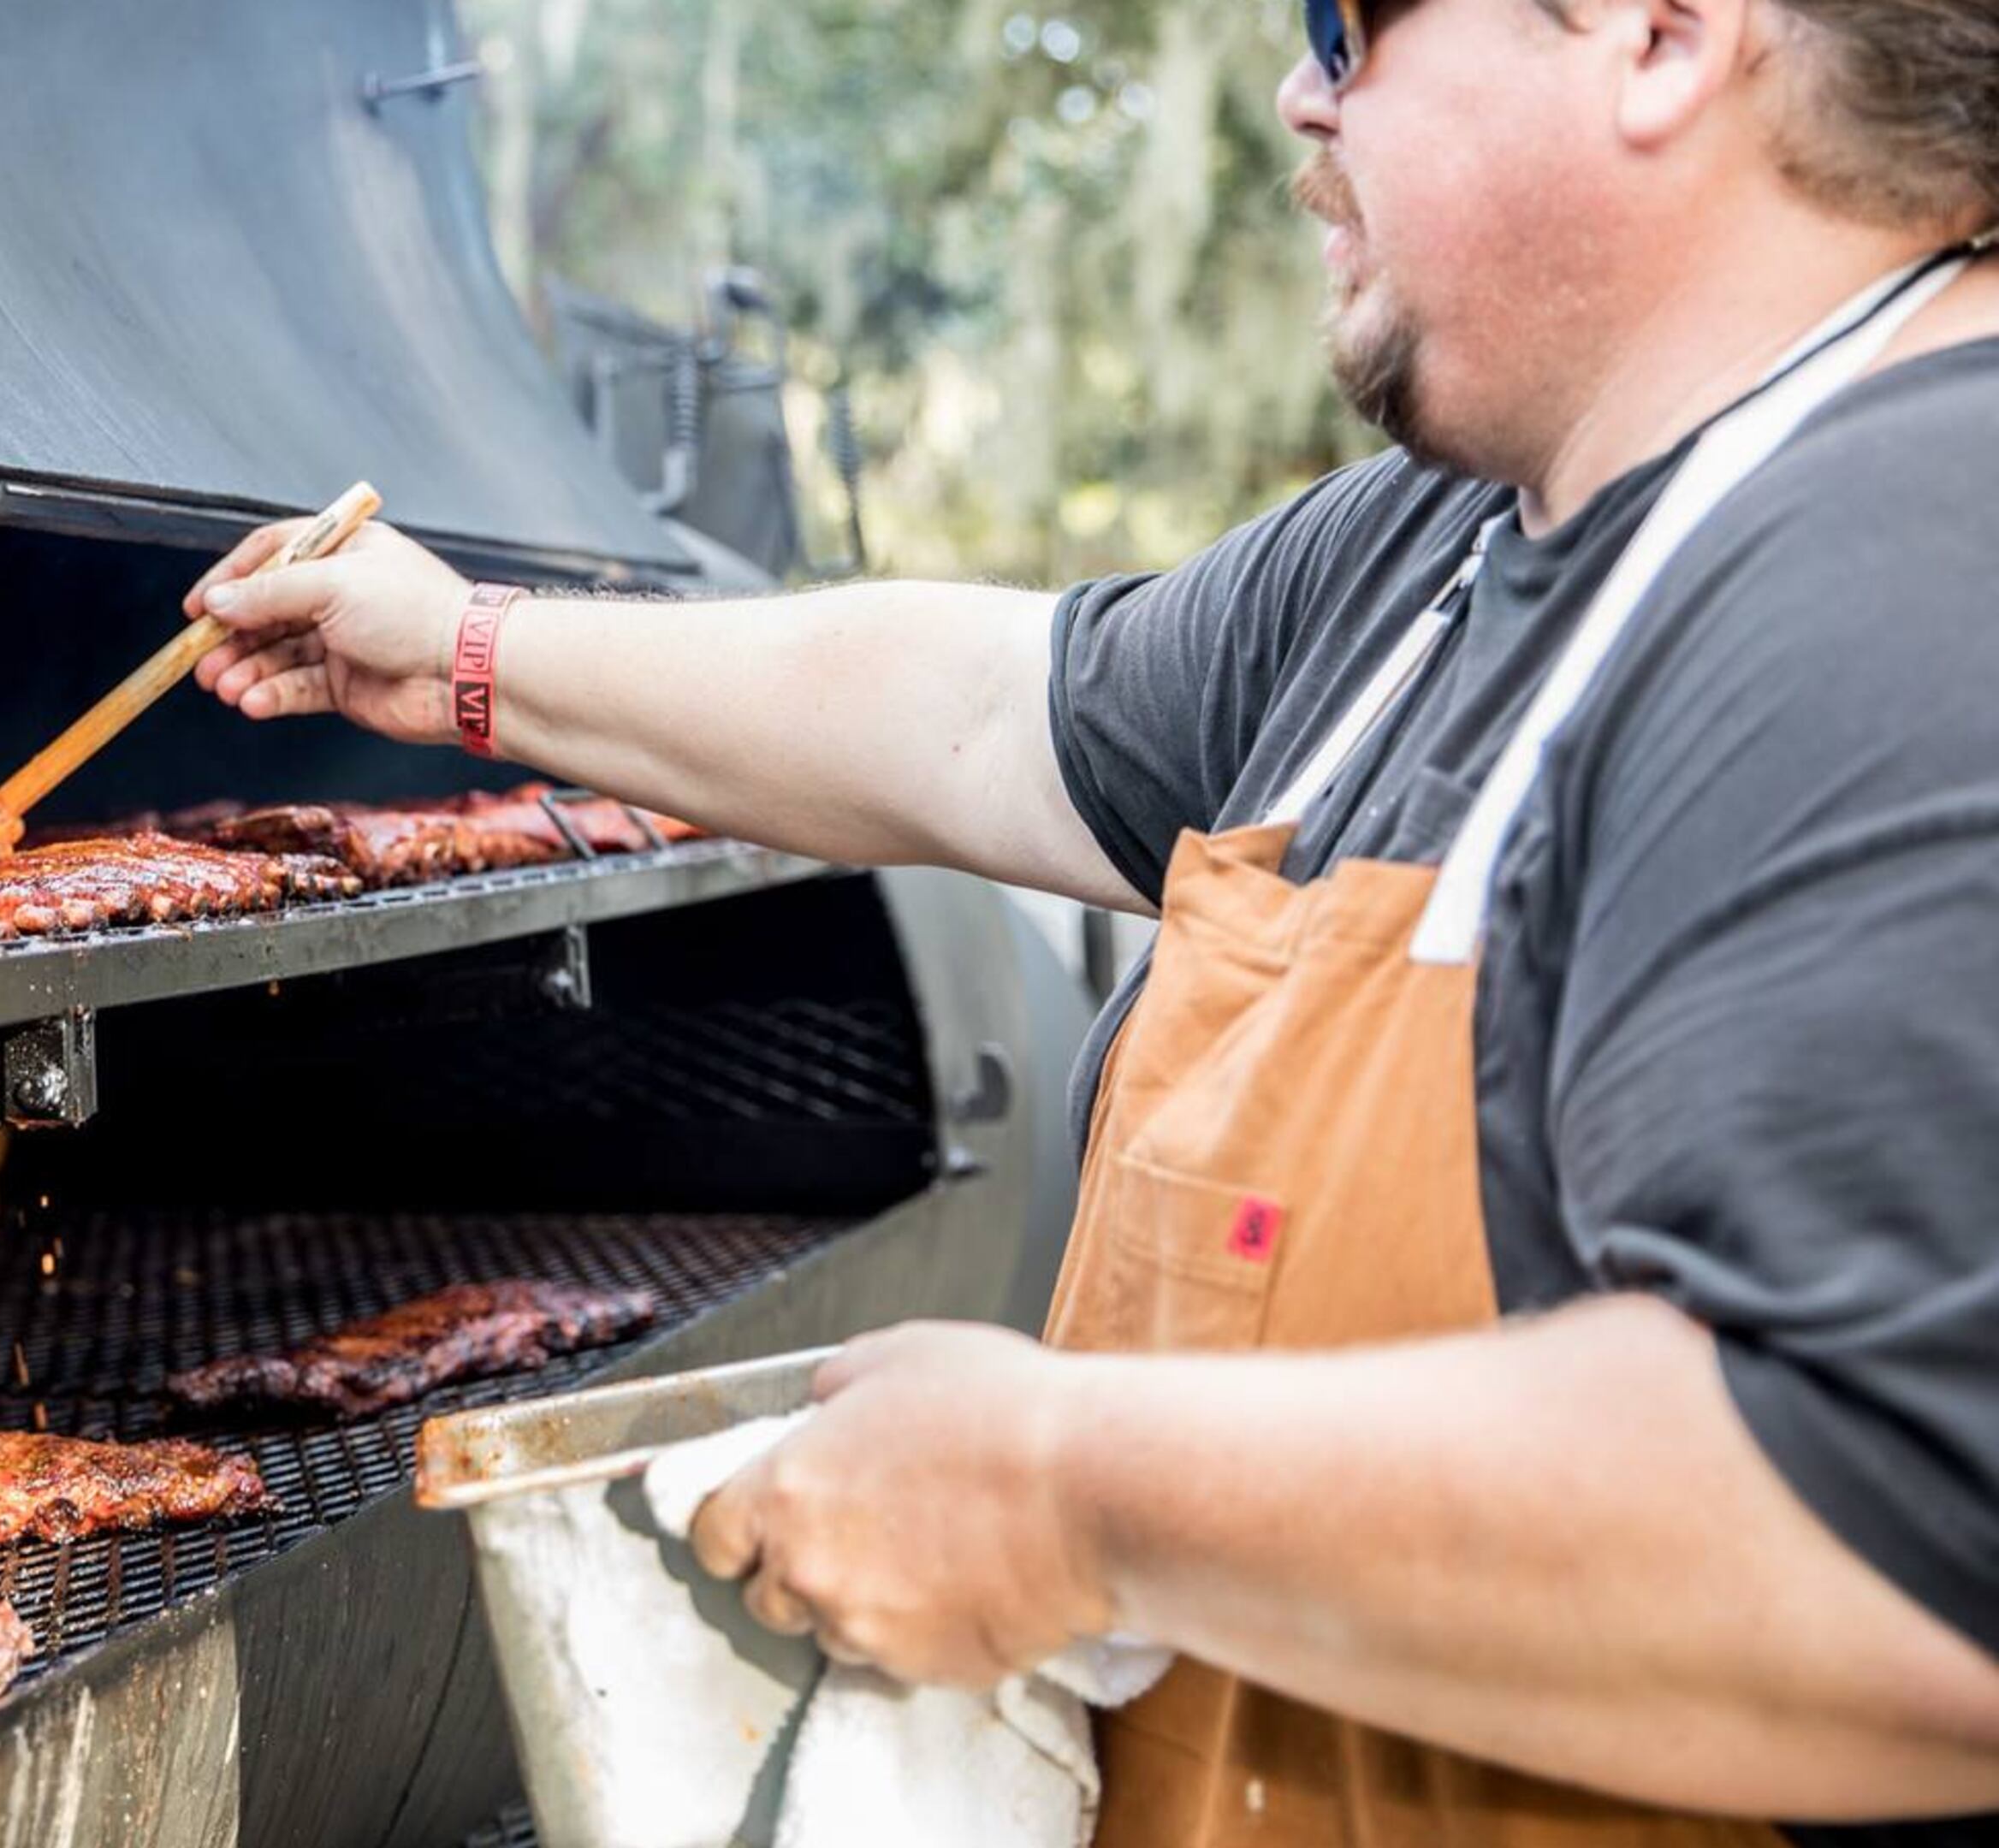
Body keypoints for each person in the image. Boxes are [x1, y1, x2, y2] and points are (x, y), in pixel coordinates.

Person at [181, 0, 1999, 1837]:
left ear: (1662, 37)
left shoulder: (1913, 572)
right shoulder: (1441, 555)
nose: (1301, 94)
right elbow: (983, 712)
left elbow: (1917, 1553)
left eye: (1344, 25)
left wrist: (1068, 1489)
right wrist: (471, 652)